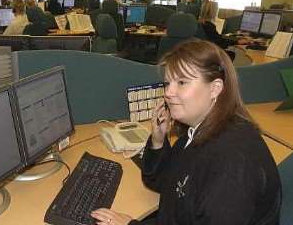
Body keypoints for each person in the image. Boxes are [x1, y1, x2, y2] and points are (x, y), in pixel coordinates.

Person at [91, 40, 281, 225]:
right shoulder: (199, 131)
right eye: (167, 83)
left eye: (181, 82)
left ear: (215, 89)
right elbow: (170, 184)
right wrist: (158, 140)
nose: (168, 93)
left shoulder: (232, 163)